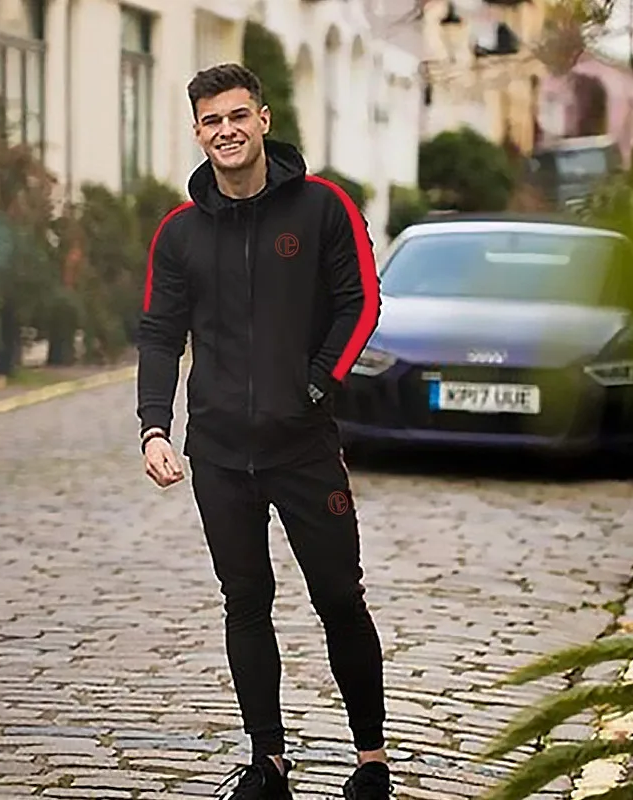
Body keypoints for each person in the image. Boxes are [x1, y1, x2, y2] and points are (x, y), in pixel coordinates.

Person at [136, 63, 389, 800]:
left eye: (238, 116)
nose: (227, 131)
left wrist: (316, 384)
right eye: (212, 121)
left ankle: (371, 761)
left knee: (339, 597)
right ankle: (268, 762)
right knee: (245, 601)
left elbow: (362, 302)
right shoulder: (180, 233)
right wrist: (155, 427)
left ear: (263, 119)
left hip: (304, 448)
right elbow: (160, 333)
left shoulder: (322, 207)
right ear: (197, 132)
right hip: (219, 453)